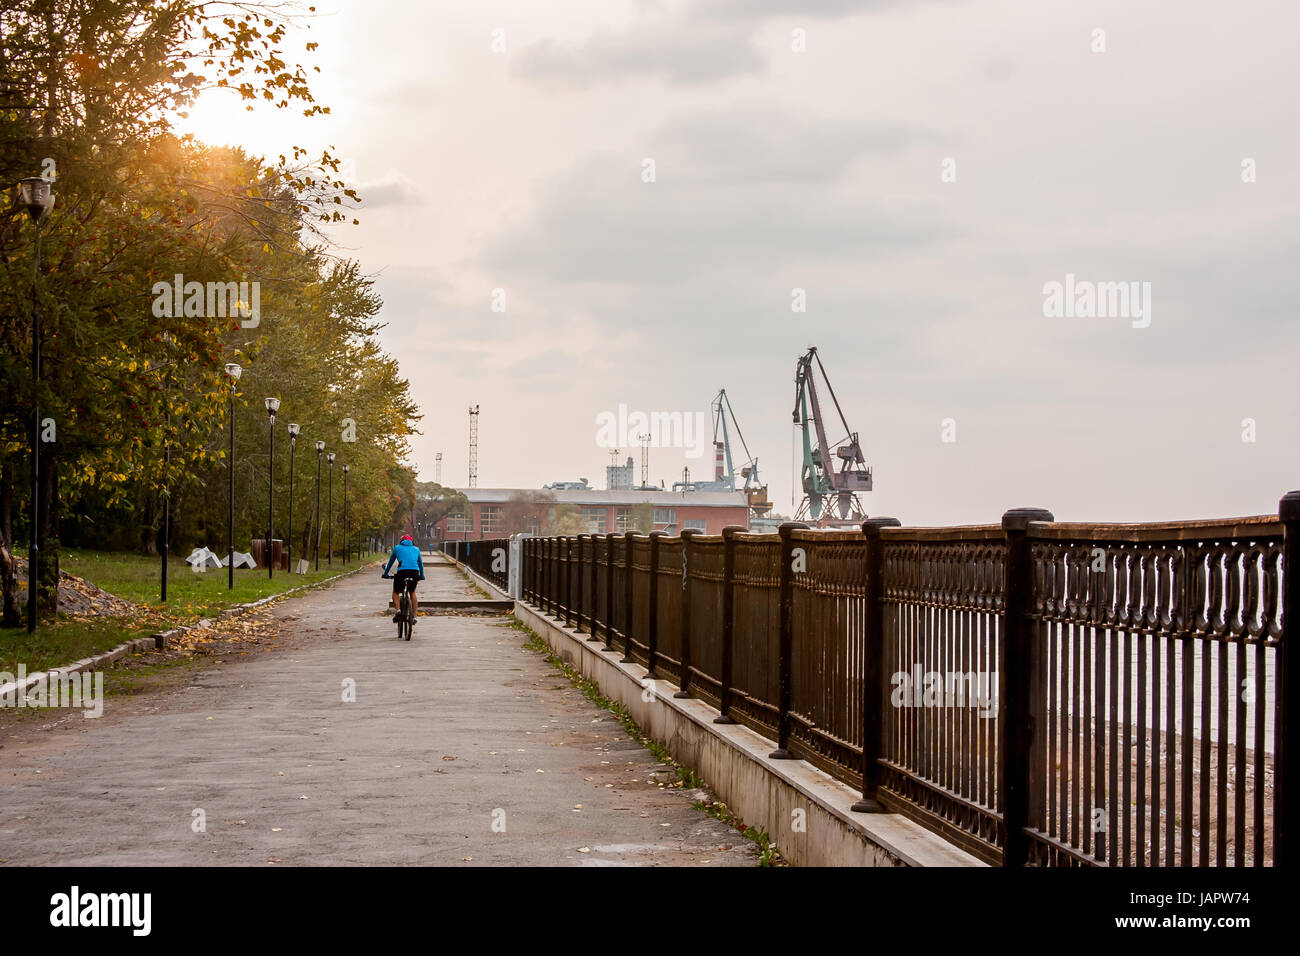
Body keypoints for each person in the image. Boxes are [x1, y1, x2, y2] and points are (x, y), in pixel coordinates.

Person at [382, 534, 425, 624]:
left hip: (402, 572)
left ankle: (398, 611)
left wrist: (385, 574)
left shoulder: (397, 548)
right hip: (414, 572)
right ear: (412, 542)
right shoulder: (416, 549)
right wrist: (422, 576)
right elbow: (420, 564)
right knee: (412, 592)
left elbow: (390, 563)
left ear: (401, 541)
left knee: (396, 592)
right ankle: (415, 617)